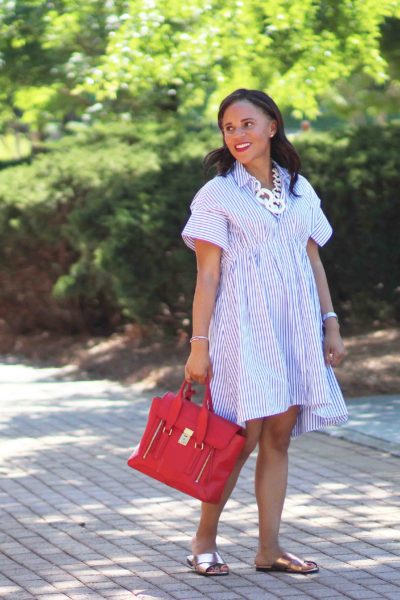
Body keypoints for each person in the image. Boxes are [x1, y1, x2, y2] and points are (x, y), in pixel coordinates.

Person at [181, 88, 348, 577]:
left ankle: (269, 549)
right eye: (229, 128)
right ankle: (203, 540)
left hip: (294, 328)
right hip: (243, 330)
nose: (237, 135)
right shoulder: (217, 194)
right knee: (239, 438)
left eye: (247, 124)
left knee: (279, 436)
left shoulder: (301, 189)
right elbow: (207, 275)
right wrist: (199, 344)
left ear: (272, 126)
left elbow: (312, 258)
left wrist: (330, 322)